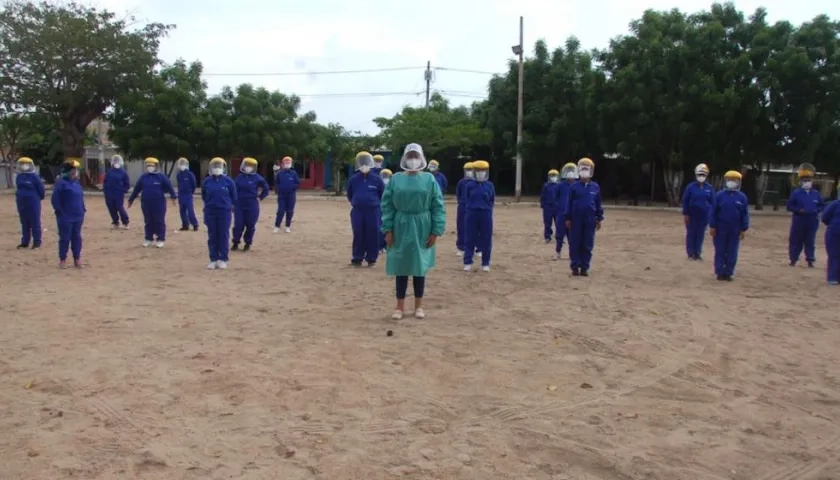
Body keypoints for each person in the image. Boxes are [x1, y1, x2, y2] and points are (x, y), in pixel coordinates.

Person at [381, 143, 446, 319]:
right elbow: (387, 205)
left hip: (422, 224)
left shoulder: (429, 179)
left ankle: (419, 306)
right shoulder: (395, 179)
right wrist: (387, 229)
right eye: (409, 156)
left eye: (415, 156)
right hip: (400, 224)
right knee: (401, 265)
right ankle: (399, 307)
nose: (413, 160)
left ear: (421, 158)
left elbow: (437, 205)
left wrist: (436, 230)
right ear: (404, 158)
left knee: (419, 265)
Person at [565, 157, 603, 276]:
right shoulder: (574, 187)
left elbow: (598, 204)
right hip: (576, 219)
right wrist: (568, 218)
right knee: (575, 243)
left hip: (590, 219)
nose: (585, 171)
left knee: (587, 244)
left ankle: (585, 267)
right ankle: (575, 266)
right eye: (582, 169)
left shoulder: (595, 187)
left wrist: (599, 218)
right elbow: (569, 203)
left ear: (591, 171)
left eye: (587, 169)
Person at [128, 157, 177, 248]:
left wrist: (173, 197)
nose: (150, 167)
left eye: (152, 165)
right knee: (148, 220)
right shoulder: (143, 177)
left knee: (159, 221)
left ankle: (160, 239)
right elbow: (137, 189)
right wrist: (131, 199)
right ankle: (148, 238)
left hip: (159, 203)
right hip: (146, 202)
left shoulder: (161, 177)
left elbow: (169, 187)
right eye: (148, 165)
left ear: (156, 166)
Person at [710, 170, 750, 281]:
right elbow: (713, 211)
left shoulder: (742, 197)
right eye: (730, 180)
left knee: (732, 251)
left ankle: (728, 272)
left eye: (735, 180)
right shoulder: (719, 196)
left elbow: (745, 214)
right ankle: (719, 272)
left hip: (735, 229)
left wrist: (743, 228)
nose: (732, 182)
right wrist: (712, 226)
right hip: (720, 228)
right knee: (720, 250)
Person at [347, 151, 385, 267]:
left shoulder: (377, 179)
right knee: (358, 233)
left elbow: (382, 194)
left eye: (366, 162)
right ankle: (357, 258)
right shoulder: (353, 179)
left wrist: (374, 203)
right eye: (361, 162)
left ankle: (371, 258)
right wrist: (357, 202)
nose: (364, 165)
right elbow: (350, 194)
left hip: (373, 211)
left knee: (373, 233)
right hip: (358, 211)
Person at [202, 157, 237, 269]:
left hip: (224, 212)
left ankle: (222, 259)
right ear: (211, 168)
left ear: (224, 168)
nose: (217, 168)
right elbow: (204, 196)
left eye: (219, 166)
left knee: (223, 235)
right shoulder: (206, 181)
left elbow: (234, 196)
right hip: (210, 211)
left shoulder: (229, 181)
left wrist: (227, 206)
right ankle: (213, 259)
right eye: (215, 166)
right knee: (212, 236)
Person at [787, 162, 824, 267]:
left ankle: (810, 260)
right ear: (801, 181)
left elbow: (822, 205)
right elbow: (789, 206)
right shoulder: (796, 193)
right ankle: (793, 259)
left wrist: (817, 211)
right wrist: (798, 210)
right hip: (799, 220)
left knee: (810, 241)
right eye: (805, 180)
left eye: (809, 180)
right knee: (795, 240)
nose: (807, 182)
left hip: (812, 221)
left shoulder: (816, 194)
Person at [51, 160, 86, 269]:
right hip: (65, 217)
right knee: (65, 238)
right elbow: (55, 200)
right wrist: (60, 213)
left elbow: (80, 198)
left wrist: (83, 209)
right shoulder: (61, 184)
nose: (76, 172)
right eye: (74, 170)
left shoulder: (76, 183)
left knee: (76, 237)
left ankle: (77, 259)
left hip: (78, 216)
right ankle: (63, 260)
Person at [232, 157, 270, 251]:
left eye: (251, 166)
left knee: (250, 224)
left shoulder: (257, 177)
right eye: (247, 165)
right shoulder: (239, 177)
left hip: (252, 204)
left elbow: (266, 188)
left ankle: (247, 243)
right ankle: (236, 242)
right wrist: (232, 202)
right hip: (239, 204)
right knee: (238, 225)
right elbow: (233, 190)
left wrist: (261, 197)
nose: (248, 167)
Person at [463, 160, 495, 271]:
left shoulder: (490, 185)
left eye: (483, 170)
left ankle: (485, 263)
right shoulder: (469, 185)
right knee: (470, 237)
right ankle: (467, 261)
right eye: (478, 170)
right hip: (472, 213)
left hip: (485, 213)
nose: (481, 173)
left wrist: (487, 208)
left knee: (486, 238)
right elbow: (466, 199)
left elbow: (492, 200)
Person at [681, 163, 715, 260]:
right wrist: (686, 214)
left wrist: (711, 215)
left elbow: (713, 202)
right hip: (692, 214)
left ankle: (697, 253)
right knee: (691, 233)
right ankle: (690, 253)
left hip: (704, 215)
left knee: (700, 234)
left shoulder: (709, 188)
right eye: (700, 174)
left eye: (703, 175)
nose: (701, 176)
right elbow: (685, 200)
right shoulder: (690, 187)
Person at [15, 156, 45, 250]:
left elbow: (41, 190)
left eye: (26, 164)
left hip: (33, 202)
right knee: (24, 222)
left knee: (35, 222)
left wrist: (37, 198)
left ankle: (37, 242)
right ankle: (25, 242)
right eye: (22, 164)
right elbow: (17, 189)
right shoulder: (19, 177)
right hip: (21, 202)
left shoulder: (34, 177)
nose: (24, 166)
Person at [553, 162, 577, 260]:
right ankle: (558, 252)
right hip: (561, 213)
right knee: (559, 234)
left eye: (572, 171)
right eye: (568, 171)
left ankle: (572, 254)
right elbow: (556, 197)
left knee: (572, 236)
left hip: (573, 214)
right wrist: (559, 208)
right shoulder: (560, 185)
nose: (570, 173)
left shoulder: (577, 185)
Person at [102, 155, 130, 229]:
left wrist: (124, 190)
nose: (116, 163)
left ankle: (125, 222)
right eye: (115, 161)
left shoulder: (123, 173)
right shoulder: (109, 172)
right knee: (111, 208)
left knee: (119, 207)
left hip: (118, 193)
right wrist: (105, 190)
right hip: (109, 193)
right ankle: (115, 222)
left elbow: (127, 184)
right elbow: (105, 181)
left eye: (118, 161)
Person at [274, 156, 300, 233]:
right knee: (280, 211)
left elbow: (297, 183)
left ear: (291, 163)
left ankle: (287, 226)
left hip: (291, 195)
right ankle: (277, 226)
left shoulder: (294, 173)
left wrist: (292, 188)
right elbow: (276, 183)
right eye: (285, 162)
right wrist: (279, 190)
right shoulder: (280, 173)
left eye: (288, 162)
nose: (287, 164)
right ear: (283, 164)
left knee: (290, 211)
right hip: (281, 195)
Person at [820, 187, 840, 285]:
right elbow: (824, 217)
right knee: (834, 254)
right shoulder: (835, 204)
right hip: (834, 234)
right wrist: (834, 226)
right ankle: (832, 277)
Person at [455, 162, 475, 256]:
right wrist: (462, 202)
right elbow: (458, 194)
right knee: (461, 227)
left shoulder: (477, 183)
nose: (469, 172)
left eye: (471, 170)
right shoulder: (461, 182)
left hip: (474, 207)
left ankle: (476, 247)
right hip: (463, 207)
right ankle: (461, 247)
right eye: (467, 170)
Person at [175, 157, 199, 231]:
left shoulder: (190, 174)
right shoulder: (178, 174)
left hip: (188, 194)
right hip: (181, 194)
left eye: (183, 164)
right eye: (180, 164)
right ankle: (185, 225)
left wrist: (191, 192)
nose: (181, 165)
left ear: (186, 165)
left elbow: (194, 184)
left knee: (190, 210)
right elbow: (179, 184)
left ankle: (195, 224)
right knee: (182, 211)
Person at [540, 169, 561, 244]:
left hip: (557, 207)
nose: (553, 177)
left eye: (554, 175)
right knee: (547, 223)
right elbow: (543, 195)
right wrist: (542, 204)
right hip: (548, 207)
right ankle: (547, 237)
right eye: (552, 175)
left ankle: (559, 237)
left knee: (558, 223)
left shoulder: (559, 185)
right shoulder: (546, 185)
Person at [379, 168, 393, 252]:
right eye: (383, 176)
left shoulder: (393, 185)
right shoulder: (379, 184)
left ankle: (387, 246)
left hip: (390, 210)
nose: (385, 177)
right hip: (380, 209)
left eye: (387, 176)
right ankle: (380, 246)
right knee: (380, 228)